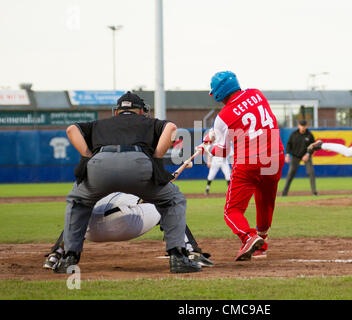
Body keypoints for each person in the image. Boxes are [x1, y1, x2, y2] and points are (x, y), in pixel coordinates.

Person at [53, 91, 201, 274]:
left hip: (99, 165)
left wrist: (88, 155)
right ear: (140, 111)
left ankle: (68, 258)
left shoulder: (100, 124)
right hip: (139, 164)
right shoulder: (149, 122)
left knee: (77, 202)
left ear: (117, 112)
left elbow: (71, 130)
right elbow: (171, 128)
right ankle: (178, 257)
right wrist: (156, 157)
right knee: (173, 200)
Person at [196, 71, 285, 261]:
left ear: (219, 92)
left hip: (249, 162)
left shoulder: (223, 116)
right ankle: (261, 246)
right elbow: (247, 115)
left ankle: (248, 236)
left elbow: (223, 152)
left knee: (232, 211)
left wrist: (208, 148)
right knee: (265, 202)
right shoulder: (256, 93)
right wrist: (215, 133)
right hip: (275, 156)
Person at [43, 192, 213, 269]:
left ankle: (55, 255)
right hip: (125, 223)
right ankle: (191, 252)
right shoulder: (136, 169)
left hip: (89, 229)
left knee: (77, 215)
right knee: (168, 209)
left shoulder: (94, 173)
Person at [282, 120, 317, 196]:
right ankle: (284, 193)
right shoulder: (294, 134)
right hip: (295, 156)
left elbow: (313, 147)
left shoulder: (309, 135)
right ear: (298, 126)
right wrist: (287, 155)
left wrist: (307, 154)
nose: (303, 127)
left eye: (304, 126)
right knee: (290, 174)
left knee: (311, 172)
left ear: (306, 126)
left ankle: (314, 192)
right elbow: (288, 145)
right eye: (301, 125)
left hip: (306, 156)